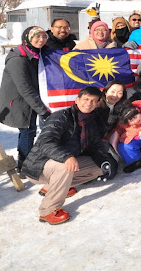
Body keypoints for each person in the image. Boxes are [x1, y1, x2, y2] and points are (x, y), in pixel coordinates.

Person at [22, 87, 117, 225]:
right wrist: (66, 157)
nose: (88, 103)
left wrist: (104, 161)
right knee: (64, 166)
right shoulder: (61, 116)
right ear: (77, 100)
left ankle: (54, 187)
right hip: (38, 165)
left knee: (100, 168)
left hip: (61, 165)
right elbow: (45, 142)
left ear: (97, 104)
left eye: (93, 101)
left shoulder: (91, 121)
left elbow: (95, 146)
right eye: (85, 99)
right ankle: (48, 210)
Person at [0, 26, 52, 174]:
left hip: (29, 99)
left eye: (43, 37)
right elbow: (25, 88)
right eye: (37, 36)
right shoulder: (18, 59)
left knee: (30, 130)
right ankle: (24, 165)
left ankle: (27, 161)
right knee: (27, 130)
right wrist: (42, 110)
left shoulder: (35, 53)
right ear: (27, 38)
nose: (41, 40)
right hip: (17, 101)